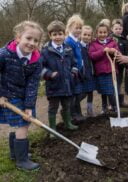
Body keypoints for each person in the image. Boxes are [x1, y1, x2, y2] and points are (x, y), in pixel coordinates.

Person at [0, 21, 43, 170]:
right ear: (18, 38)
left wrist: (29, 106)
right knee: (22, 125)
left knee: (25, 121)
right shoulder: (4, 54)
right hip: (8, 95)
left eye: (36, 40)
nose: (32, 43)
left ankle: (16, 153)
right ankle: (22, 161)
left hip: (25, 95)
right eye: (28, 38)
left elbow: (33, 83)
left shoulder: (37, 60)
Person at [40, 20, 78, 134]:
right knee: (53, 107)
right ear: (50, 35)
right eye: (54, 34)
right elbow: (40, 67)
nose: (58, 37)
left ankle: (68, 123)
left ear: (64, 34)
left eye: (60, 34)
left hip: (67, 84)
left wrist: (73, 72)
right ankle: (52, 129)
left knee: (67, 105)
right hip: (54, 85)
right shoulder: (46, 51)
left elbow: (74, 63)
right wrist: (49, 74)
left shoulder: (68, 49)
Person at [89, 22, 119, 114]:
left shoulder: (112, 42)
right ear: (96, 33)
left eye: (104, 32)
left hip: (111, 70)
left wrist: (114, 51)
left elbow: (118, 53)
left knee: (110, 91)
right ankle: (104, 107)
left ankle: (114, 107)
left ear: (108, 32)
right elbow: (92, 56)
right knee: (103, 91)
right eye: (100, 32)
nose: (102, 34)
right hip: (101, 71)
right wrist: (102, 51)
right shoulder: (93, 44)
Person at [65, 14, 85, 121]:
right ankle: (73, 114)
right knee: (74, 94)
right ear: (69, 28)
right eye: (76, 28)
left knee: (78, 93)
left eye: (80, 28)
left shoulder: (76, 41)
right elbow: (69, 58)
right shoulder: (69, 41)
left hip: (79, 70)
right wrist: (73, 70)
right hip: (73, 72)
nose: (78, 30)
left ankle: (78, 113)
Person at [111, 19, 128, 108]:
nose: (118, 30)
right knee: (113, 85)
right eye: (116, 28)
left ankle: (120, 101)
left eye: (120, 28)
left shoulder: (124, 40)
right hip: (112, 65)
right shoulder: (110, 39)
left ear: (122, 29)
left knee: (120, 84)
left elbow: (126, 55)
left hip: (122, 66)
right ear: (112, 29)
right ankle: (113, 103)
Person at [80, 25, 96, 116]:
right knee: (83, 93)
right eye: (84, 34)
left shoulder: (91, 46)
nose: (86, 36)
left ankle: (89, 110)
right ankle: (72, 107)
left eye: (88, 35)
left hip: (91, 72)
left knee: (90, 91)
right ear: (81, 35)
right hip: (83, 73)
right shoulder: (79, 46)